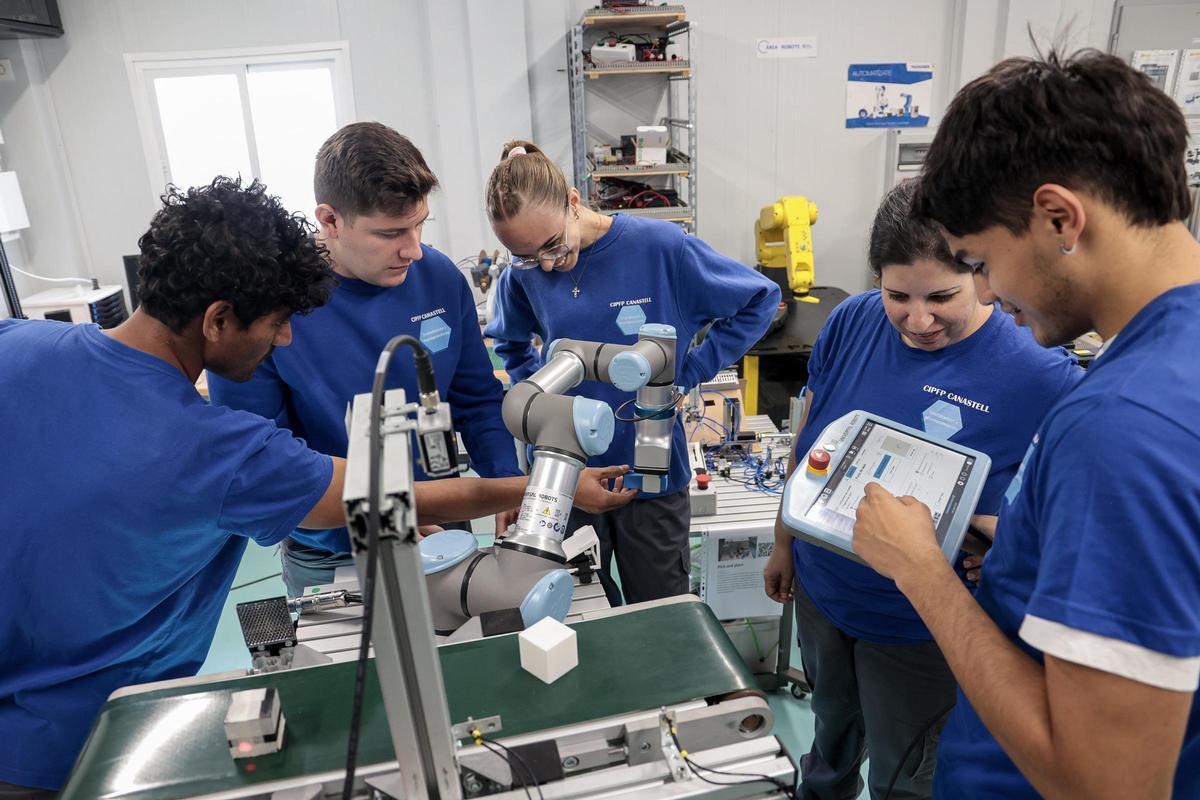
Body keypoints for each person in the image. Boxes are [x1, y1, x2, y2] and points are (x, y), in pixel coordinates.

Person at [0, 178, 633, 797]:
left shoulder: (18, 345)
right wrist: (551, 489)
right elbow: (388, 496)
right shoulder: (217, 450)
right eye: (276, 323)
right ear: (218, 319)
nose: (286, 340)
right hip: (79, 749)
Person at [850, 49, 1200, 799]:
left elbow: (1105, 785)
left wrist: (920, 570)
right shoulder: (1171, 363)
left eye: (979, 261)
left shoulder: (1122, 424)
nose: (986, 292)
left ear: (1058, 218)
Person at [762, 180, 1081, 800]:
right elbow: (812, 438)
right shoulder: (853, 321)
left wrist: (999, 537)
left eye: (942, 296)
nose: (918, 319)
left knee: (904, 776)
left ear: (982, 277)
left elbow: (1067, 521)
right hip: (827, 594)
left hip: (920, 628)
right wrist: (785, 539)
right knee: (829, 742)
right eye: (897, 295)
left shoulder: (1041, 374)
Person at [209, 123, 524, 598]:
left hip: (443, 527)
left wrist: (506, 485)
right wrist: (383, 521)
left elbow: (477, 399)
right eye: (391, 232)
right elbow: (262, 461)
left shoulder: (437, 277)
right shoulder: (267, 307)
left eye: (420, 224)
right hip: (334, 552)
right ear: (330, 220)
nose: (413, 248)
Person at [484, 140, 781, 605]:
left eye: (552, 245)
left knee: (660, 614)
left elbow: (759, 299)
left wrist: (691, 368)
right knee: (579, 610)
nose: (545, 264)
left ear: (573, 200)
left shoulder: (660, 249)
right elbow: (510, 343)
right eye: (526, 256)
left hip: (652, 470)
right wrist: (542, 406)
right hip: (569, 474)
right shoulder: (521, 276)